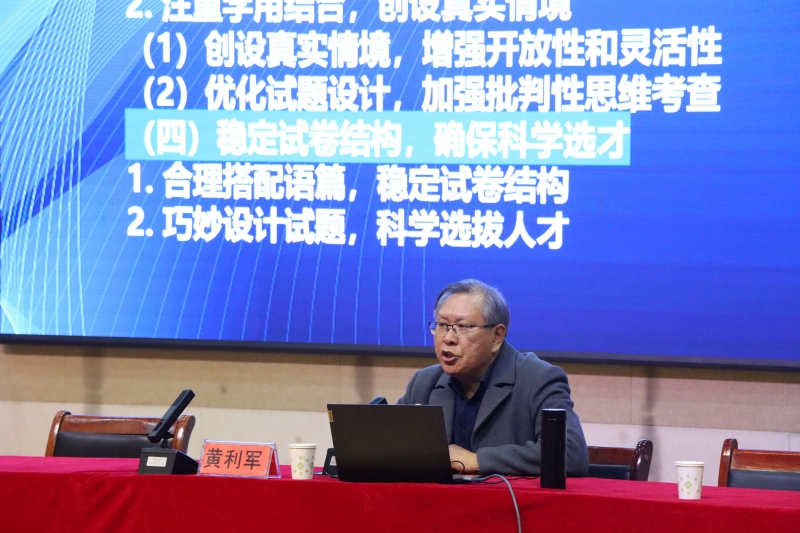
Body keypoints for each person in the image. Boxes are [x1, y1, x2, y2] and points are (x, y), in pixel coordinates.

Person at [398, 279, 589, 477]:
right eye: (442, 325)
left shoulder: (538, 379)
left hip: (509, 497)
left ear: (497, 336)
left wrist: (477, 461)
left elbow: (570, 454)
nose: (448, 338)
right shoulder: (425, 382)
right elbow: (390, 448)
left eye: (463, 326)